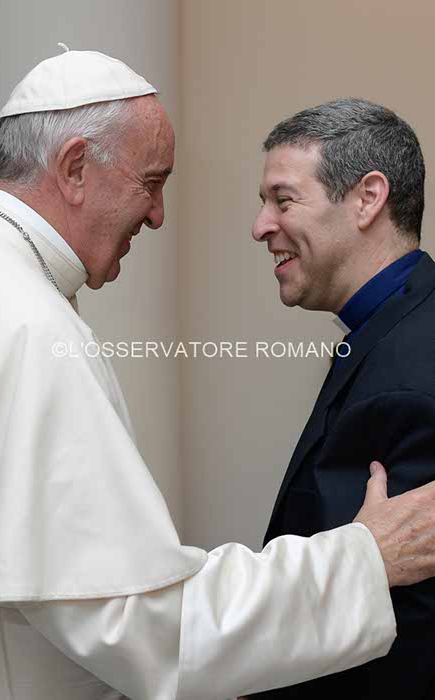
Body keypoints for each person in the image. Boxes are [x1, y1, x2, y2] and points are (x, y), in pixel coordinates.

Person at [0, 50, 435, 700]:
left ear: (368, 199)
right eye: (151, 182)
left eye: (283, 200)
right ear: (75, 167)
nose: (158, 215)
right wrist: (365, 561)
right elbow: (145, 628)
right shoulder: (25, 323)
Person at [250, 98, 435, 700]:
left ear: (367, 198)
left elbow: (407, 636)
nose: (261, 226)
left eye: (283, 200)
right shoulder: (391, 328)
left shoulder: (412, 373)